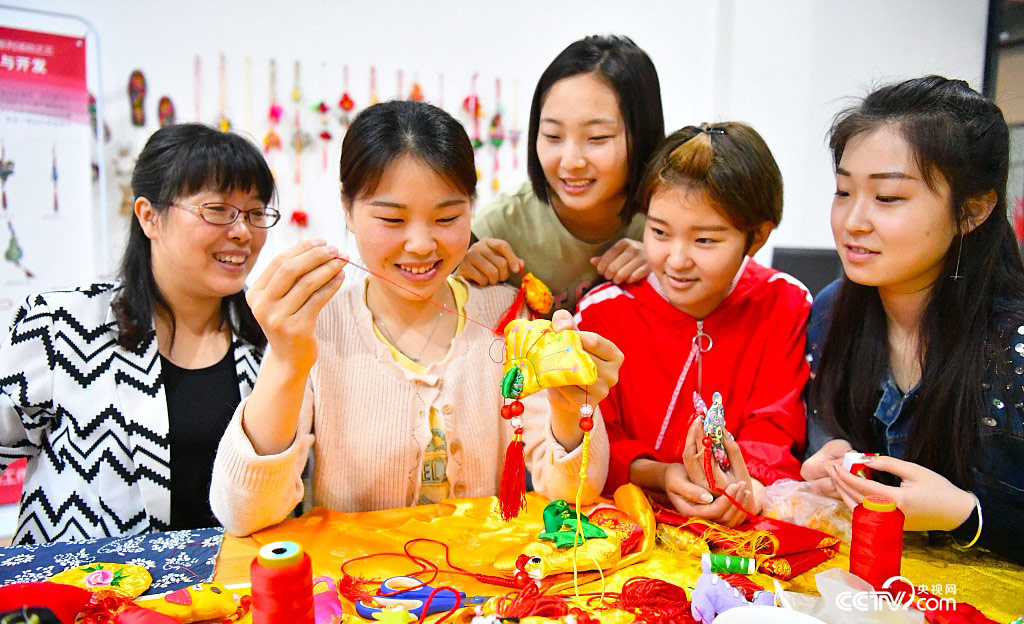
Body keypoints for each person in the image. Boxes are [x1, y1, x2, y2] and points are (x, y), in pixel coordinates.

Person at [210, 100, 623, 537]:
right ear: (348, 210)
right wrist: (287, 359)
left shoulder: (505, 315)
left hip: (480, 592)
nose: (422, 244)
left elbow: (572, 493)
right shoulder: (319, 324)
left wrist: (567, 408)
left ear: (472, 208)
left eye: (447, 217)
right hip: (357, 589)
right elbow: (243, 513)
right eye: (392, 218)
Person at [0, 123, 275, 544]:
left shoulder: (269, 340)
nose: (243, 232)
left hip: (231, 597)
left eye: (256, 213)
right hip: (88, 599)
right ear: (149, 216)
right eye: (217, 210)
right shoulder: (64, 324)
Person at [802, 76, 1024, 563]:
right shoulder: (830, 311)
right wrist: (827, 469)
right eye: (843, 191)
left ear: (973, 211)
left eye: (888, 199)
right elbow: (825, 447)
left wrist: (968, 514)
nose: (853, 221)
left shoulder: (1015, 346)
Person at [576, 123, 809, 526]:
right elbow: (591, 440)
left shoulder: (782, 302)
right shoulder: (602, 314)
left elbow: (775, 428)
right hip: (625, 524)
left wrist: (745, 489)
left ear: (757, 236)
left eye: (705, 241)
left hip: (743, 525)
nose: (677, 260)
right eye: (660, 232)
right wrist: (662, 475)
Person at [457, 35, 664, 316]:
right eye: (553, 136)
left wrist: (664, 265)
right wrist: (460, 270)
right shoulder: (501, 225)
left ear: (642, 136)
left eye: (597, 137)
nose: (571, 161)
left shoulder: (664, 221)